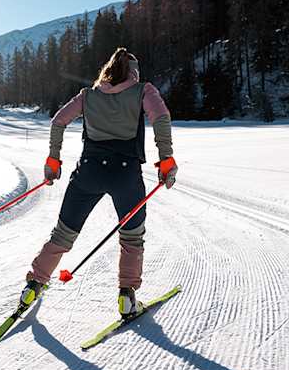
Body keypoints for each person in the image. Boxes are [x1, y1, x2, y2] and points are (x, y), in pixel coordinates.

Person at [21, 47, 177, 319]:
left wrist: (53, 159)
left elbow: (58, 121)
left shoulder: (88, 95)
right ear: (134, 72)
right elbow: (161, 118)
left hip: (88, 172)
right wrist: (166, 159)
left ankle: (34, 285)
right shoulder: (143, 90)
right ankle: (127, 296)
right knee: (132, 237)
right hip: (126, 175)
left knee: (63, 234)